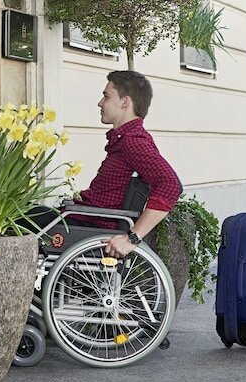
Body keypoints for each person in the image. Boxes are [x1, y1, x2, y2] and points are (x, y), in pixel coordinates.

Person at [26, 71, 182, 258]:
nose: (100, 103)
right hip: (84, 220)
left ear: (125, 102)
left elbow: (170, 185)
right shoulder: (126, 140)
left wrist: (133, 237)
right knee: (24, 212)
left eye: (106, 96)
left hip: (89, 227)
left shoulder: (134, 142)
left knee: (10, 219)